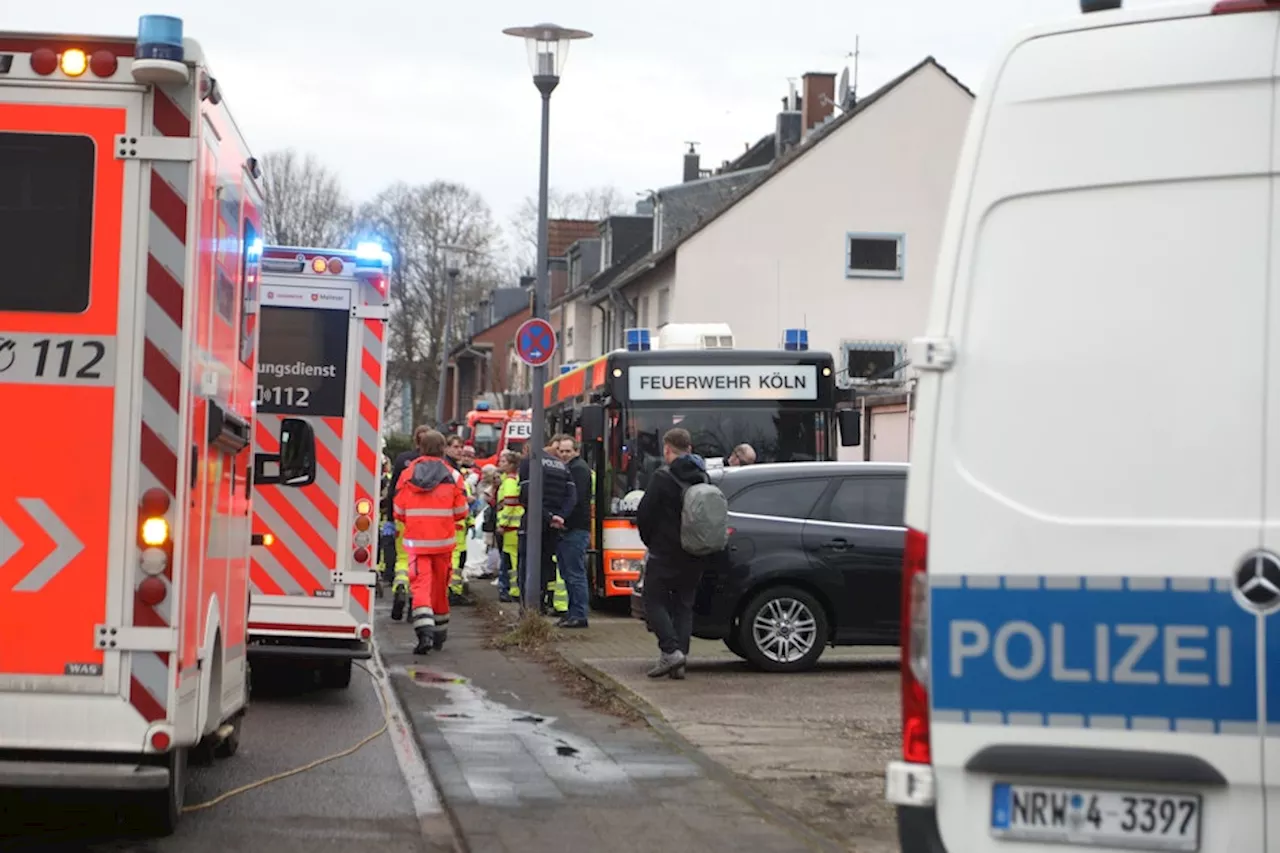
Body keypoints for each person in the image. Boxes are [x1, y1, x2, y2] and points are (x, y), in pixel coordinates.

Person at [636, 427, 726, 679]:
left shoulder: (662, 477)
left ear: (667, 449)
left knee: (653, 601)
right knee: (684, 606)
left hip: (665, 553)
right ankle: (680, 662)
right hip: (696, 551)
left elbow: (645, 513)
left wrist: (651, 541)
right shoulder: (703, 476)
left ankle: (671, 651)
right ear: (690, 448)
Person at [392, 429, 469, 655]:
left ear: (421, 447)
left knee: (421, 587)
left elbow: (398, 510)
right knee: (439, 589)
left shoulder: (407, 474)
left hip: (417, 542)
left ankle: (424, 632)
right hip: (443, 543)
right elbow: (461, 511)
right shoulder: (454, 476)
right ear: (443, 448)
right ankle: (440, 634)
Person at [517, 436, 576, 615]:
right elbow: (572, 496)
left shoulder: (530, 462)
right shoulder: (561, 465)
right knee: (547, 564)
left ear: (528, 447)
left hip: (534, 523)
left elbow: (528, 495)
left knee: (527, 563)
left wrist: (547, 516)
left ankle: (528, 607)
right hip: (553, 526)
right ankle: (543, 602)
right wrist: (559, 516)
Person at [388, 426, 431, 621]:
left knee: (403, 560)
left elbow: (393, 491)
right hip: (426, 522)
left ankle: (400, 586)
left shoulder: (402, 460)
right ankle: (415, 600)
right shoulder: (439, 466)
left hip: (404, 519)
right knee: (420, 564)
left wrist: (390, 517)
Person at [555, 435, 593, 629]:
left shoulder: (578, 469)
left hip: (575, 528)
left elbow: (574, 499)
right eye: (561, 451)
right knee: (569, 573)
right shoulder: (573, 468)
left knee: (575, 574)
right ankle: (573, 613)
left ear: (576, 451)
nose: (563, 454)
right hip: (572, 528)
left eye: (567, 451)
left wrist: (562, 518)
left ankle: (578, 614)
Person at [444, 435, 474, 604]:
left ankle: (453, 589)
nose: (459, 450)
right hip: (454, 521)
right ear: (447, 448)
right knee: (455, 557)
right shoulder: (449, 468)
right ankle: (452, 591)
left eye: (460, 447)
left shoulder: (456, 467)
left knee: (459, 556)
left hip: (459, 521)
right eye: (455, 447)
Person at [494, 450, 523, 603]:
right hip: (512, 527)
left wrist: (502, 523)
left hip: (511, 528)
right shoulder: (508, 480)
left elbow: (510, 503)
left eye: (504, 461)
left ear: (511, 465)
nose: (500, 463)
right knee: (510, 560)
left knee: (511, 560)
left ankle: (513, 590)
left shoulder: (510, 482)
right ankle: (512, 589)